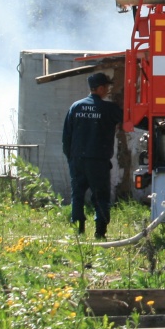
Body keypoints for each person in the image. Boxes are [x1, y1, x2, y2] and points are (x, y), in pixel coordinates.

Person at [62, 71, 121, 239]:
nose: (109, 90)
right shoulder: (109, 109)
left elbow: (66, 136)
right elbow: (130, 119)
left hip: (77, 160)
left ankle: (78, 232)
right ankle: (100, 233)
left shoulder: (76, 107)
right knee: (101, 196)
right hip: (98, 161)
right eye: (107, 87)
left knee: (77, 195)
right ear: (101, 88)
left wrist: (71, 159)